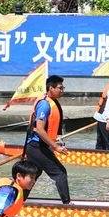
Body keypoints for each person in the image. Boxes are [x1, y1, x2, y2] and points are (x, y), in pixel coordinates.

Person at [23, 75, 71, 204]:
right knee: (60, 173)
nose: (62, 90)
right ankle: (67, 205)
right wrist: (55, 147)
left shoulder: (52, 102)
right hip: (36, 147)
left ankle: (19, 200)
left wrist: (56, 141)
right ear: (51, 88)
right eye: (60, 88)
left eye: (63, 88)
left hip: (38, 147)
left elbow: (49, 129)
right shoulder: (44, 104)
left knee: (31, 176)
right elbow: (39, 129)